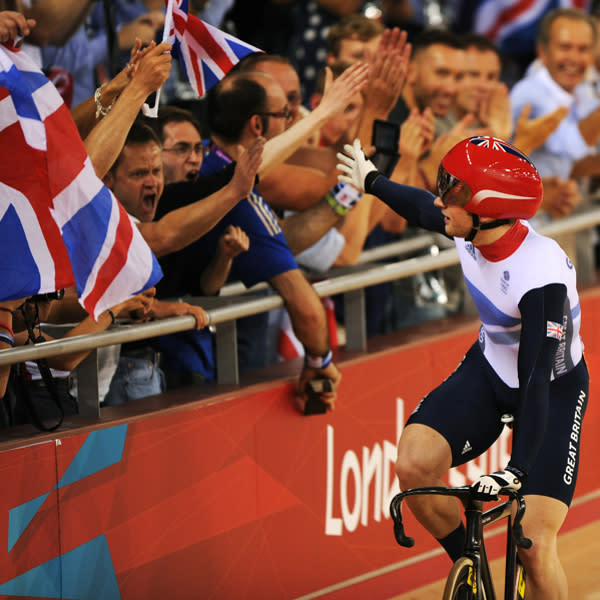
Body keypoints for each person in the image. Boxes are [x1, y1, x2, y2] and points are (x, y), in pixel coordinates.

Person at [337, 136, 589, 600]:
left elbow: (534, 378)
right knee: (413, 464)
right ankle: (470, 565)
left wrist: (518, 469)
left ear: (489, 207)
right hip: (490, 370)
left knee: (533, 543)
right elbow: (417, 208)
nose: (440, 201)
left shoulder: (541, 275)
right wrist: (372, 180)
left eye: (451, 193)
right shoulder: (471, 227)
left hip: (550, 388)